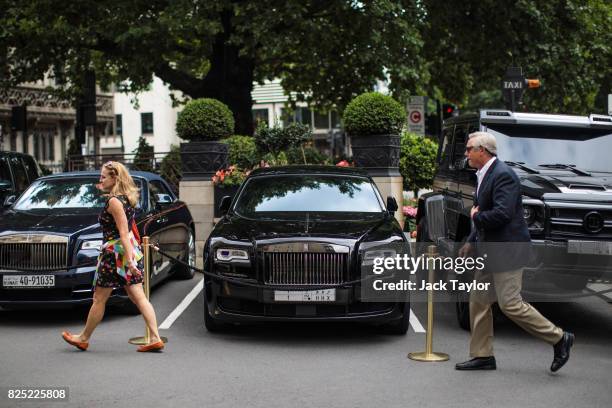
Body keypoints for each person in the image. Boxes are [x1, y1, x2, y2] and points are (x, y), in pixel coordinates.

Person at [455, 131, 573, 372]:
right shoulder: (483, 174)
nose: (466, 153)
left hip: (508, 251)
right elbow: (483, 211)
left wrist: (477, 216)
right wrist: (471, 240)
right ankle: (483, 355)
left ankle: (560, 338)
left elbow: (501, 214)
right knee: (478, 300)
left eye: (469, 149)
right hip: (490, 251)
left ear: (483, 151)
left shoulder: (503, 175)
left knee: (510, 305)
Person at [62, 161, 164, 352]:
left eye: (103, 176)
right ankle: (156, 338)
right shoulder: (126, 198)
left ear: (115, 177)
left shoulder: (114, 201)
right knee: (139, 298)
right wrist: (132, 258)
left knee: (99, 299)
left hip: (115, 256)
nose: (100, 179)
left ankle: (83, 337)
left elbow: (123, 234)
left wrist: (131, 261)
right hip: (126, 254)